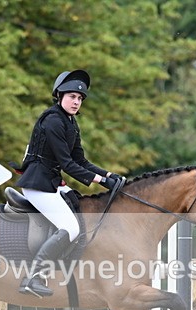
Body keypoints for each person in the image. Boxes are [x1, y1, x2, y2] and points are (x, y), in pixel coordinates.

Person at [16, 69, 124, 297]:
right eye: (72, 96)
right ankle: (33, 277)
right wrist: (101, 180)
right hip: (37, 183)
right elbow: (67, 164)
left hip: (51, 182)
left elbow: (80, 161)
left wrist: (109, 175)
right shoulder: (53, 121)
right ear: (59, 96)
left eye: (80, 98)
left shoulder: (70, 122)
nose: (76, 102)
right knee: (71, 228)